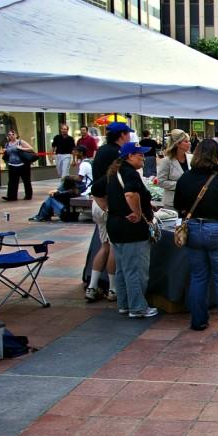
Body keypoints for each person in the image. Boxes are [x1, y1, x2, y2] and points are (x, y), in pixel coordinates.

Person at [174, 139, 218, 332]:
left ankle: (198, 321)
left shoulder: (185, 178)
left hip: (193, 230)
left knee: (198, 277)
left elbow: (178, 207)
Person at [106, 142, 156, 318]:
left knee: (123, 268)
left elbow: (97, 191)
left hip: (115, 225)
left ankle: (125, 304)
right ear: (129, 156)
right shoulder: (130, 173)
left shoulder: (114, 172)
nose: (143, 157)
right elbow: (131, 194)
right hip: (131, 229)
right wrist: (137, 212)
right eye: (139, 154)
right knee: (136, 269)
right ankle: (137, 307)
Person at [86, 122, 132, 302]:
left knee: (105, 245)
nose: (129, 137)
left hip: (97, 203)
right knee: (114, 246)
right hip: (108, 203)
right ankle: (113, 289)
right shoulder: (117, 153)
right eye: (127, 134)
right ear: (121, 135)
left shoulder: (102, 150)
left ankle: (92, 286)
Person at [157, 129, 191, 208]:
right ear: (177, 144)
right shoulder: (166, 161)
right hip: (172, 203)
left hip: (189, 202)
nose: (189, 143)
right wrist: (180, 185)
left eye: (188, 141)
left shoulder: (191, 158)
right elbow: (161, 182)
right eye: (186, 141)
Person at [0, 129, 36, 201]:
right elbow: (8, 153)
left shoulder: (20, 142)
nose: (11, 136)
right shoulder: (7, 144)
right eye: (9, 135)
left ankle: (28, 195)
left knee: (26, 180)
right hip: (12, 165)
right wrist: (4, 151)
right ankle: (11, 196)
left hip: (22, 165)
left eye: (12, 134)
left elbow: (31, 149)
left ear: (16, 135)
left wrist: (21, 148)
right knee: (12, 182)